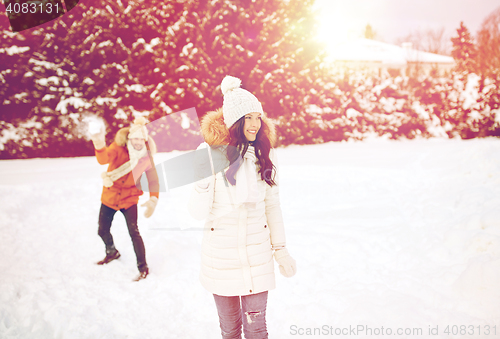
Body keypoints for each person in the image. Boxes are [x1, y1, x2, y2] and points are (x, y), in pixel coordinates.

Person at [188, 75, 297, 338]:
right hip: (220, 258)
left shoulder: (265, 155)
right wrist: (201, 180)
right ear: (234, 121)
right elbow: (197, 213)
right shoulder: (211, 154)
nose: (255, 123)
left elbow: (272, 206)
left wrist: (280, 250)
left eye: (257, 117)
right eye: (247, 117)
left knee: (257, 329)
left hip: (257, 255)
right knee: (230, 331)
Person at [89, 116, 159, 281]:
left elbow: (153, 180)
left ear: (145, 140)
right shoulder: (118, 149)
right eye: (135, 138)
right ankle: (111, 251)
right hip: (110, 197)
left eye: (141, 139)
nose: (138, 142)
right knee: (102, 230)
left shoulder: (146, 158)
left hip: (129, 199)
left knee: (134, 233)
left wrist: (153, 199)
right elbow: (103, 159)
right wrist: (99, 142)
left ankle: (143, 268)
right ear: (129, 138)